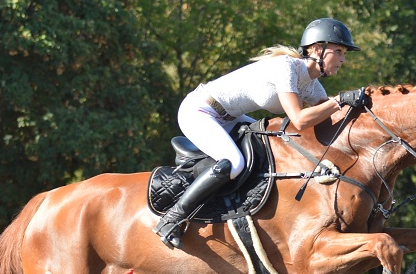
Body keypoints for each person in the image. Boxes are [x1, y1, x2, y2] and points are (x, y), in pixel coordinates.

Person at [154, 18, 363, 249]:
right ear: (316, 49)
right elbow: (300, 119)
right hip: (200, 110)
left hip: (229, 118)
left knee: (275, 145)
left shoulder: (313, 86)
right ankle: (171, 219)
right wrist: (339, 100)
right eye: (339, 51)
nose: (343, 59)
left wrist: (359, 107)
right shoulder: (286, 67)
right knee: (234, 163)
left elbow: (329, 118)